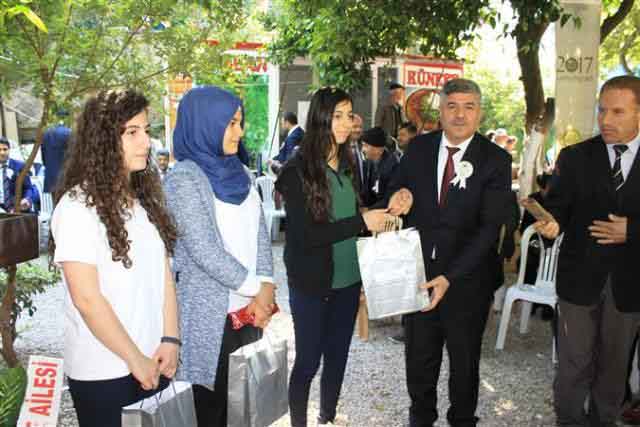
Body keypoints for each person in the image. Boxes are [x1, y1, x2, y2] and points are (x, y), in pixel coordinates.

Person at [383, 78, 512, 427]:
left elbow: (490, 229)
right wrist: (398, 196)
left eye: (469, 107)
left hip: (468, 280)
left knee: (465, 364)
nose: (460, 115)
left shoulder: (496, 160)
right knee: (419, 361)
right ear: (440, 111)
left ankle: (463, 420)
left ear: (479, 113)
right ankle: (420, 419)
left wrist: (450, 276)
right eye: (452, 106)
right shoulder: (418, 149)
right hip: (420, 276)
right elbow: (394, 186)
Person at [49, 90, 179, 427]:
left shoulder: (141, 201)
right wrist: (134, 359)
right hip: (104, 371)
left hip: (154, 359)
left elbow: (163, 273)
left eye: (146, 130)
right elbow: (87, 299)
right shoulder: (76, 208)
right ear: (103, 140)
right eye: (132, 132)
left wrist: (170, 338)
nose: (146, 142)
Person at [275, 87, 390, 427]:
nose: (345, 123)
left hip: (348, 280)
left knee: (338, 357)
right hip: (312, 283)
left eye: (349, 115)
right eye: (336, 115)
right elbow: (307, 235)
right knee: (308, 361)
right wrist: (361, 222)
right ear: (320, 117)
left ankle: (326, 417)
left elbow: (355, 213)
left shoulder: (351, 163)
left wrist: (387, 207)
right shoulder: (296, 170)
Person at [163, 86, 276, 427]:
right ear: (205, 124)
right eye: (231, 123)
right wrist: (257, 289)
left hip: (249, 312)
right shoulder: (183, 179)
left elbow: (260, 234)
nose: (239, 132)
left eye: (240, 122)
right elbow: (204, 250)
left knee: (244, 409)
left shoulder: (241, 173)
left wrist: (267, 284)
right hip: (210, 317)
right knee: (209, 411)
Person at [535, 75, 640, 427]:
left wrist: (632, 230)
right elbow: (557, 209)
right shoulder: (575, 157)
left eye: (617, 112)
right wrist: (551, 224)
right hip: (578, 282)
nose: (606, 119)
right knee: (573, 366)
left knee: (614, 370)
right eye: (601, 110)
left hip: (630, 285)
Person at [361, 126, 399, 208]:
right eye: (362, 145)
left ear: (378, 149)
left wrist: (368, 210)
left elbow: (389, 199)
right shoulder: (368, 163)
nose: (363, 149)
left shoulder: (393, 167)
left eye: (366, 146)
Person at [0, 136, 36, 212]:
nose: (2, 153)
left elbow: (28, 188)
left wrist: (27, 199)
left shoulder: (19, 166)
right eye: (0, 150)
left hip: (18, 208)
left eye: (5, 149)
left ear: (9, 150)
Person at [41, 124, 71, 193]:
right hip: (66, 175)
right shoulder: (70, 133)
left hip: (51, 175)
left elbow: (43, 154)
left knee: (54, 198)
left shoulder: (46, 134)